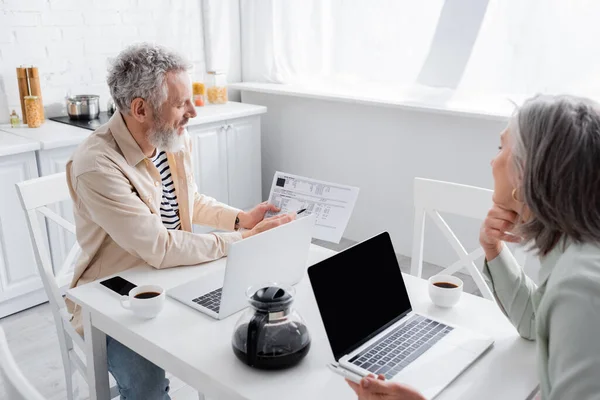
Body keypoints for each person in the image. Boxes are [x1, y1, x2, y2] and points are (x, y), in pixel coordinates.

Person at [66, 43, 293, 399]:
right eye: (180, 103)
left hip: (178, 273)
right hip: (116, 295)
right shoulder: (97, 165)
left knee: (236, 343)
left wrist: (239, 219)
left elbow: (191, 201)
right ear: (140, 109)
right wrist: (242, 240)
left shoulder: (171, 137)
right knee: (147, 386)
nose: (193, 112)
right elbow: (158, 247)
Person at [348, 94, 600, 400]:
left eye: (501, 148)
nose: (493, 161)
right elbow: (534, 321)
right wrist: (493, 249)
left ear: (528, 173)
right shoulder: (575, 250)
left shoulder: (579, 286)